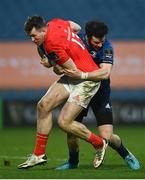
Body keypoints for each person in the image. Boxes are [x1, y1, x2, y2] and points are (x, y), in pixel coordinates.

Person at [18, 16, 110, 169]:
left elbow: (69, 69)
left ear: (43, 30)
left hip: (87, 80)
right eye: (30, 37)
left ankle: (99, 143)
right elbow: (76, 27)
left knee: (64, 122)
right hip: (74, 76)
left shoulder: (52, 45)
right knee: (43, 105)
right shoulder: (55, 23)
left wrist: (51, 63)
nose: (32, 40)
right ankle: (39, 154)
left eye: (34, 36)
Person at [55, 20, 140, 170]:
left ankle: (126, 154)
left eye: (102, 41)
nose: (100, 44)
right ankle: (73, 162)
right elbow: (61, 61)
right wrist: (58, 67)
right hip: (81, 91)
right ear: (87, 36)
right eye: (96, 42)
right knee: (70, 130)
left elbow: (105, 72)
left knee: (107, 137)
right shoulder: (77, 40)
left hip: (100, 93)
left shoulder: (107, 47)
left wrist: (81, 75)